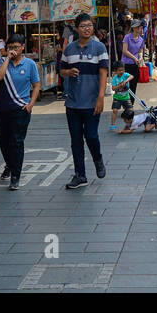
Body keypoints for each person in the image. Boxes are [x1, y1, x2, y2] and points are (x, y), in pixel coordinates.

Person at [59, 13, 109, 189]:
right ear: (76, 28)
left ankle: (98, 159)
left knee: (91, 135)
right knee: (76, 140)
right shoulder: (69, 49)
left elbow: (103, 73)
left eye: (89, 25)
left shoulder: (99, 48)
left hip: (92, 101)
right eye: (83, 26)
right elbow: (61, 70)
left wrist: (101, 97)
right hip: (73, 102)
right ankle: (80, 175)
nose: (87, 29)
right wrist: (68, 72)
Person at [0, 33, 40, 190]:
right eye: (10, 47)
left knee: (17, 142)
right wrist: (7, 58)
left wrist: (30, 104)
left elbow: (36, 85)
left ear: (22, 47)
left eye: (16, 47)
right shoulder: (2, 62)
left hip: (21, 109)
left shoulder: (29, 64)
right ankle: (9, 163)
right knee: (3, 141)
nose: (13, 50)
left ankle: (15, 175)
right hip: (3, 109)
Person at [122, 21, 146, 98]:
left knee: (134, 85)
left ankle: (131, 104)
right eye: (138, 27)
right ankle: (126, 104)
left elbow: (140, 51)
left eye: (140, 27)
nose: (140, 28)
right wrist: (134, 58)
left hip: (135, 65)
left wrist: (140, 58)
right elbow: (125, 51)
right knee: (126, 85)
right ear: (133, 28)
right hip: (126, 64)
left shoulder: (141, 39)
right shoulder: (127, 37)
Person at [108, 61, 133, 128]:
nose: (121, 71)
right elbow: (113, 88)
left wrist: (126, 81)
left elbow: (131, 76)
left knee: (130, 110)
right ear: (115, 71)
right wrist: (119, 86)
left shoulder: (125, 75)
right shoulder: (115, 78)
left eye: (122, 70)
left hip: (126, 97)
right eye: (119, 70)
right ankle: (112, 124)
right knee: (115, 110)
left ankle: (129, 124)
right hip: (117, 98)